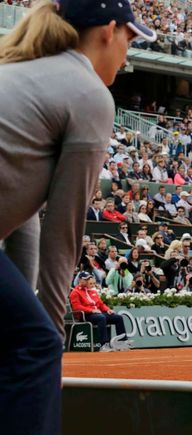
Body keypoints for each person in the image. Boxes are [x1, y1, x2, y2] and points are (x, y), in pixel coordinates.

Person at [0, 1, 155, 433]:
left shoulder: (28, 71)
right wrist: (48, 339)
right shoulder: (88, 93)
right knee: (33, 344)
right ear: (108, 30)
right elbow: (62, 235)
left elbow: (24, 221)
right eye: (130, 36)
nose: (129, 53)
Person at [69, 272, 130, 351]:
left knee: (118, 317)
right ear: (80, 280)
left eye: (88, 278)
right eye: (86, 279)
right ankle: (104, 345)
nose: (88, 280)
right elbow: (77, 307)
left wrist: (108, 310)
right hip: (85, 315)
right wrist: (92, 310)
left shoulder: (92, 291)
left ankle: (122, 343)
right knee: (101, 317)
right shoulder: (75, 292)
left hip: (97, 314)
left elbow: (101, 304)